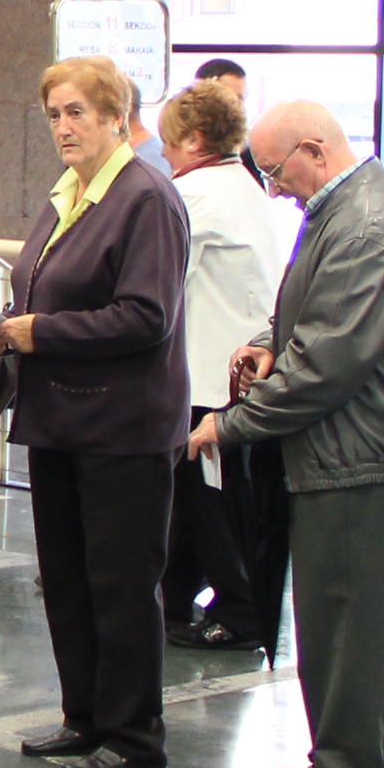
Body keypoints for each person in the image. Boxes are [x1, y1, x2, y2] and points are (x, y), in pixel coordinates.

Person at [192, 103, 384, 768]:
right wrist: (269, 340)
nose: (274, 190)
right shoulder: (341, 210)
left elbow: (328, 363)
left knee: (354, 629)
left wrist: (230, 424)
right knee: (334, 625)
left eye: (276, 173)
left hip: (364, 458)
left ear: (315, 149)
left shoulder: (366, 224)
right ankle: (341, 759)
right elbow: (310, 315)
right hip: (347, 451)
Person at [0, 57, 186, 768]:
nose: (63, 128)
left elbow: (147, 316)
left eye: (75, 113)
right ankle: (85, 717)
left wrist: (42, 333)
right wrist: (8, 327)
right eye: (54, 115)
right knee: (67, 581)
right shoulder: (67, 193)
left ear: (114, 117)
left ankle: (133, 737)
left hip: (123, 429)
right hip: (60, 419)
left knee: (120, 588)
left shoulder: (146, 198)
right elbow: (45, 288)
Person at [154, 82, 284, 651]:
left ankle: (241, 612)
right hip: (233, 372)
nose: (163, 153)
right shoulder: (245, 186)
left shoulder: (193, 195)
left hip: (210, 378)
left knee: (213, 502)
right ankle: (176, 595)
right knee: (195, 500)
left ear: (193, 139)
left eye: (169, 141)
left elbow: (159, 275)